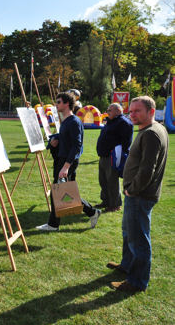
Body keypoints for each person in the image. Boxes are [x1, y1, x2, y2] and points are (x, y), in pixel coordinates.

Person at [108, 96, 168, 293]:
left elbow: (147, 170)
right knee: (129, 232)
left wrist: (131, 190)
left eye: (137, 111)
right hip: (137, 194)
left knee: (139, 239)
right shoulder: (151, 129)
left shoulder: (151, 133)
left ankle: (136, 282)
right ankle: (127, 265)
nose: (132, 114)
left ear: (151, 111)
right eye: (130, 111)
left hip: (140, 195)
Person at [36, 92, 101, 231]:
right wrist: (56, 140)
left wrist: (66, 167)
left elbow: (77, 145)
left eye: (58, 102)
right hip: (63, 159)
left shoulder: (74, 121)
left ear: (66, 104)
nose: (56, 104)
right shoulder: (66, 121)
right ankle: (90, 213)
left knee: (62, 191)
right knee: (62, 192)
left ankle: (90, 212)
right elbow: (67, 140)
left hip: (67, 162)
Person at [96, 103, 133, 212]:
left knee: (112, 181)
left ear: (118, 111)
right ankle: (106, 201)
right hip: (103, 155)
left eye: (110, 110)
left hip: (112, 157)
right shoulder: (111, 121)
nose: (107, 111)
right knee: (103, 180)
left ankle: (115, 205)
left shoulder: (123, 122)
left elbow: (126, 142)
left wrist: (119, 155)